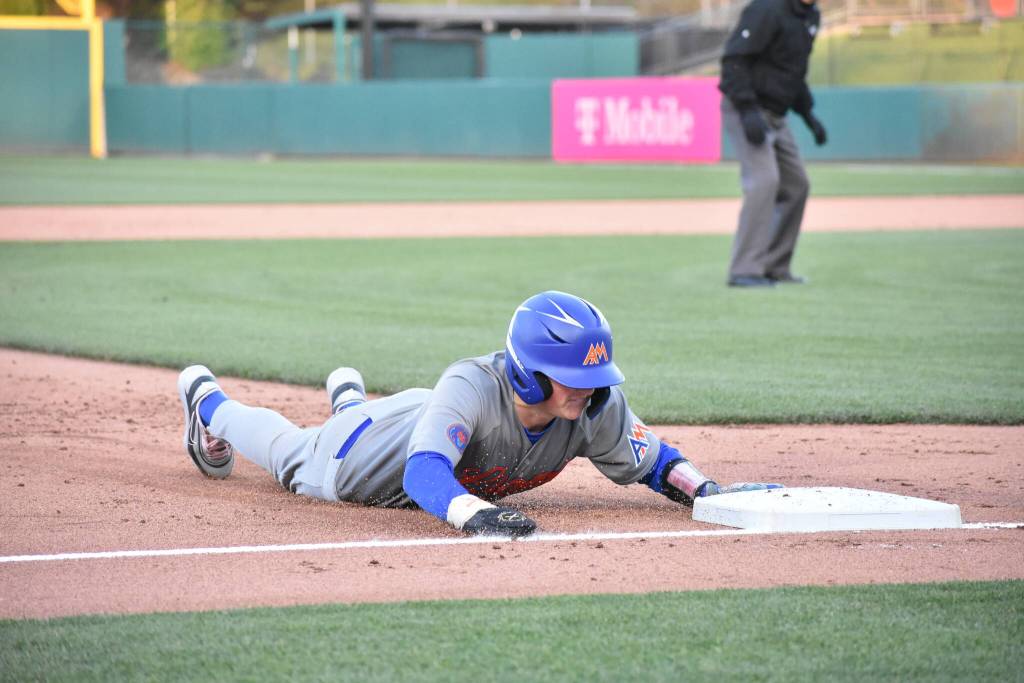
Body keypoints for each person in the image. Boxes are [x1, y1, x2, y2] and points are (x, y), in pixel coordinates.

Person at [177, 291, 780, 537]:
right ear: (526, 370)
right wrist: (474, 515)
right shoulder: (471, 381)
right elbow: (421, 477)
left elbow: (655, 462)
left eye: (595, 379)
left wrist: (706, 491)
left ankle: (350, 396)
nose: (587, 391)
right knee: (290, 453)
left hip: (427, 414)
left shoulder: (592, 403)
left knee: (391, 418)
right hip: (357, 459)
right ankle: (208, 400)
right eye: (573, 377)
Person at [718, 0, 828, 288]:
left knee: (797, 185)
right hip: (748, 108)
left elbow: (793, 71)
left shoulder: (810, 15)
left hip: (777, 113)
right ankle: (744, 269)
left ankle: (774, 266)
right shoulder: (766, 9)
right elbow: (733, 60)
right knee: (764, 181)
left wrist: (808, 114)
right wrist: (747, 110)